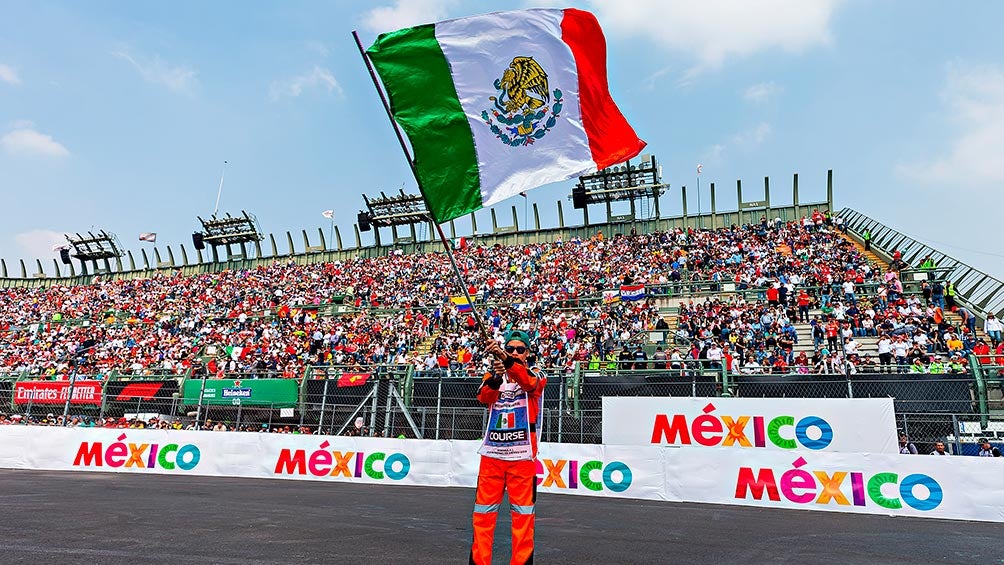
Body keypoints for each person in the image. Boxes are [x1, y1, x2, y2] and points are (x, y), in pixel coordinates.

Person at [471, 330, 547, 565]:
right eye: (511, 349)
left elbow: (528, 383)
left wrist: (504, 358)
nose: (515, 352)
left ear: (528, 354)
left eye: (519, 350)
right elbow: (484, 398)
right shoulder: (492, 375)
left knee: (523, 519)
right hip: (492, 457)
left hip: (522, 458)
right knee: (482, 516)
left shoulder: (537, 374)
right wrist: (496, 375)